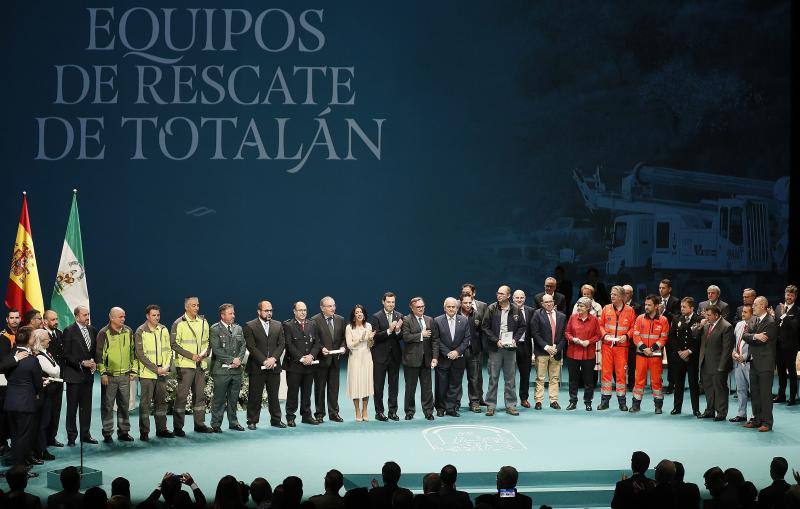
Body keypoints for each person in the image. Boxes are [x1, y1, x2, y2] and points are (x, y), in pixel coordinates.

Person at [170, 296, 212, 435]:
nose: (196, 308)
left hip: (200, 365)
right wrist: (191, 355)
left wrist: (206, 353)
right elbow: (174, 344)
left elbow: (208, 341)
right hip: (185, 366)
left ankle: (199, 424)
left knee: (199, 396)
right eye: (193, 305)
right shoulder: (179, 323)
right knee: (182, 397)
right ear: (186, 307)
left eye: (198, 305)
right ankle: (178, 427)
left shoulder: (204, 322)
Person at [3, 326, 43, 473]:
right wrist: (38, 388)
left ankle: (17, 466)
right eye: (33, 336)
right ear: (29, 340)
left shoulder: (10, 355)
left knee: (15, 436)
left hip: (10, 402)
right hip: (25, 403)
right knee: (24, 437)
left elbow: (7, 374)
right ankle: (20, 469)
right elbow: (38, 383)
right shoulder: (32, 360)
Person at [482, 286, 526, 416]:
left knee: (510, 378)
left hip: (510, 349)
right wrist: (496, 340)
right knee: (493, 378)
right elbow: (485, 327)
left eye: (502, 294)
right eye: (498, 293)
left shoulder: (516, 309)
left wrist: (515, 340)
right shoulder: (491, 308)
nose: (499, 295)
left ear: (508, 295)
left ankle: (511, 405)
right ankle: (490, 405)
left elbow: (522, 326)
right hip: (496, 348)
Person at [243, 300, 286, 429]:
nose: (269, 313)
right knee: (255, 396)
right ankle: (252, 421)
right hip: (256, 367)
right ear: (259, 312)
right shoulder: (250, 326)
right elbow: (251, 346)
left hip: (274, 366)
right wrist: (264, 361)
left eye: (270, 310)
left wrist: (273, 359)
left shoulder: (278, 325)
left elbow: (282, 344)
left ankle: (276, 420)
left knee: (274, 395)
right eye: (266, 310)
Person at [96, 307, 135, 443]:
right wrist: (103, 373)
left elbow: (132, 352)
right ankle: (107, 433)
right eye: (120, 317)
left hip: (125, 376)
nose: (123, 319)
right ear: (111, 318)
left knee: (124, 405)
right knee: (107, 406)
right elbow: (99, 356)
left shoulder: (129, 331)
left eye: (124, 316)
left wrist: (133, 370)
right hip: (109, 377)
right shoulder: (103, 333)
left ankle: (124, 432)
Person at [134, 305, 174, 440]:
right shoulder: (140, 331)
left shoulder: (164, 329)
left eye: (158, 315)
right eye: (154, 315)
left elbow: (168, 350)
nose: (157, 317)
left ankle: (161, 429)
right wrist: (156, 369)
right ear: (147, 316)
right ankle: (144, 432)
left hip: (162, 373)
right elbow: (141, 355)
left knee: (161, 403)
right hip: (147, 374)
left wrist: (167, 366)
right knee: (145, 404)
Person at [62, 305, 98, 445]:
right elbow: (66, 354)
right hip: (74, 376)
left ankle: (85, 434)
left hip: (88, 377)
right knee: (72, 408)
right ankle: (71, 437)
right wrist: (82, 362)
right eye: (84, 315)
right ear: (77, 316)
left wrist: (93, 362)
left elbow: (93, 352)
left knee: (86, 407)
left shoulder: (92, 330)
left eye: (88, 314)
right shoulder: (69, 331)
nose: (87, 317)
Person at [742, 296, 779, 432]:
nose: (753, 307)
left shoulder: (770, 322)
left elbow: (761, 341)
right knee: (755, 393)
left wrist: (753, 337)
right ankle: (757, 420)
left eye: (755, 305)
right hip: (754, 363)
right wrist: (755, 336)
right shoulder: (754, 320)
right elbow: (745, 336)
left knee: (765, 395)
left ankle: (767, 423)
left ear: (763, 306)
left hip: (765, 364)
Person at [209, 303, 246, 432]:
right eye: (230, 313)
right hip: (221, 371)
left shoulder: (238, 329)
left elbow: (243, 346)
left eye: (233, 313)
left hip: (236, 371)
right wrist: (232, 360)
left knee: (233, 398)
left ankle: (233, 422)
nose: (233, 315)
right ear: (222, 315)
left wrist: (239, 360)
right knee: (219, 399)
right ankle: (216, 424)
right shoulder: (214, 329)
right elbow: (217, 350)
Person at [283, 301, 320, 427]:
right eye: (300, 310)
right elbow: (289, 345)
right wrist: (301, 358)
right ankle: (290, 417)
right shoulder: (288, 325)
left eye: (305, 310)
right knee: (293, 392)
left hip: (309, 365)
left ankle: (306, 416)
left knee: (307, 392)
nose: (303, 312)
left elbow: (316, 343)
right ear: (294, 311)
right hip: (294, 365)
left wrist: (311, 356)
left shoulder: (312, 324)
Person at [631, 295, 670, 414]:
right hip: (641, 355)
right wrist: (644, 349)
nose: (646, 307)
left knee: (656, 381)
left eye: (649, 305)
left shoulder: (663, 320)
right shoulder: (639, 318)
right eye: (645, 305)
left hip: (656, 356)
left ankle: (658, 406)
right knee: (639, 381)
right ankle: (636, 405)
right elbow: (635, 336)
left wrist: (651, 349)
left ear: (656, 306)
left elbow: (664, 338)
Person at [599, 286, 636, 411]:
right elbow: (600, 325)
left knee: (621, 375)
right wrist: (604, 335)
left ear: (621, 296)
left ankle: (622, 402)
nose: (612, 296)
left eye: (614, 294)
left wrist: (626, 336)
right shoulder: (606, 308)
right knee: (606, 374)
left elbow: (633, 328)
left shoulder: (630, 310)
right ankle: (605, 401)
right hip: (607, 347)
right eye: (611, 294)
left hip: (622, 348)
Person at [368, 292, 404, 422]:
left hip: (394, 356)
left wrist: (398, 331)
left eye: (393, 302)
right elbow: (375, 337)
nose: (391, 304)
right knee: (378, 386)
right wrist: (389, 331)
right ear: (383, 302)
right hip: (379, 356)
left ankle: (392, 411)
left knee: (394, 385)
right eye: (388, 302)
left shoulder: (400, 316)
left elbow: (401, 337)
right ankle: (379, 412)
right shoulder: (376, 317)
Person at [401, 297, 438, 420]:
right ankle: (409, 412)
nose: (421, 309)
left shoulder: (429, 320)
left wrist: (435, 357)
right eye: (418, 307)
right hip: (411, 361)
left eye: (422, 306)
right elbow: (406, 337)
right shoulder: (406, 320)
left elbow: (435, 340)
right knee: (410, 388)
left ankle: (428, 412)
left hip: (426, 360)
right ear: (412, 308)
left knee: (427, 389)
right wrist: (421, 335)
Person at [433, 297, 471, 417]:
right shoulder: (437, 321)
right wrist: (448, 352)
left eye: (453, 307)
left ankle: (451, 408)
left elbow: (467, 339)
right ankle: (440, 407)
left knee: (455, 385)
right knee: (441, 385)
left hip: (458, 359)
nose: (451, 309)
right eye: (448, 307)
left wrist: (457, 352)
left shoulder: (464, 320)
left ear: (457, 308)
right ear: (444, 308)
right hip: (443, 359)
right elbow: (436, 339)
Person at [311, 297, 346, 424]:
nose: (333, 308)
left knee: (334, 388)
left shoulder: (340, 319)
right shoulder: (314, 320)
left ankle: (334, 413)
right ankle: (319, 414)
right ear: (322, 308)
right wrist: (321, 348)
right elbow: (314, 339)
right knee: (319, 389)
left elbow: (343, 337)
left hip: (335, 360)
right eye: (329, 306)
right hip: (321, 361)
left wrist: (343, 346)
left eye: (334, 305)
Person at [695, 305, 734, 421]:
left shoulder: (726, 326)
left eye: (708, 315)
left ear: (716, 315)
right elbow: (695, 336)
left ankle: (721, 413)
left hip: (719, 365)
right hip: (705, 363)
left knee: (720, 389)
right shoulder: (706, 325)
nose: (706, 317)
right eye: (706, 315)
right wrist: (700, 326)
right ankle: (709, 410)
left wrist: (722, 366)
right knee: (708, 388)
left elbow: (727, 349)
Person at [564, 297, 602, 411]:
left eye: (581, 306)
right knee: (573, 380)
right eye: (578, 305)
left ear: (588, 308)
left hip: (588, 354)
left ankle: (588, 402)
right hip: (573, 353)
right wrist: (573, 339)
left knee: (588, 380)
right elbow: (567, 332)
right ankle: (573, 401)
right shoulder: (573, 317)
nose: (579, 308)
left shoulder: (594, 320)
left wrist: (589, 342)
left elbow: (598, 335)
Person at [530, 294, 567, 410]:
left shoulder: (562, 316)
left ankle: (554, 400)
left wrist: (558, 348)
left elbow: (564, 336)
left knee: (554, 378)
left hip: (556, 352)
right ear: (542, 304)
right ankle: (538, 401)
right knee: (540, 378)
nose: (549, 304)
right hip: (542, 352)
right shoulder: (537, 314)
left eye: (550, 301)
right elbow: (535, 333)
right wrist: (546, 347)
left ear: (554, 302)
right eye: (546, 302)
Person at [668, 297, 702, 416]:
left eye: (684, 307)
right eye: (681, 307)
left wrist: (690, 351)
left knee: (693, 384)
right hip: (679, 356)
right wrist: (679, 351)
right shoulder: (676, 318)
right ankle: (677, 408)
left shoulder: (698, 319)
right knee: (678, 383)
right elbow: (672, 337)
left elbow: (699, 339)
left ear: (692, 308)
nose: (682, 309)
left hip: (692, 357)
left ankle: (696, 409)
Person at [32, 329, 60, 461]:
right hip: (44, 394)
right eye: (47, 338)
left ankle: (42, 448)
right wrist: (56, 370)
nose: (50, 340)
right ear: (40, 341)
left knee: (46, 421)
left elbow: (56, 369)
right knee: (42, 423)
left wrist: (56, 369)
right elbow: (54, 370)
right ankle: (40, 451)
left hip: (49, 393)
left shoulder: (46, 352)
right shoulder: (39, 356)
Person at [345, 304, 374, 422]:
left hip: (366, 356)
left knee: (366, 383)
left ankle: (365, 410)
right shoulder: (349, 327)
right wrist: (360, 339)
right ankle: (357, 410)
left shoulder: (368, 326)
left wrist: (371, 339)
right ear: (354, 316)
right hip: (355, 357)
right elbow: (349, 345)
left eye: (361, 312)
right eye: (357, 312)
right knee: (355, 384)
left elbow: (370, 345)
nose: (359, 314)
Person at [41, 310, 65, 448]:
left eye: (56, 319)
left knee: (56, 410)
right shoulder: (40, 335)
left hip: (59, 379)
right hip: (46, 381)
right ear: (45, 321)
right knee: (46, 412)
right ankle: (43, 440)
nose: (55, 322)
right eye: (52, 320)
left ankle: (52, 437)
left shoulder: (59, 334)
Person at [460, 293, 485, 413]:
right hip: (459, 351)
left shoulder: (477, 314)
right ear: (460, 303)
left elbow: (482, 332)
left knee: (474, 378)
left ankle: (474, 402)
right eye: (465, 303)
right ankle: (455, 402)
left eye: (470, 302)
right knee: (456, 378)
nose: (468, 305)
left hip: (473, 351)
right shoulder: (455, 314)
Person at [0, 308, 21, 455]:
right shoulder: (3, 337)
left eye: (16, 317)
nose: (14, 320)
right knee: (3, 414)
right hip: (4, 381)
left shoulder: (22, 334)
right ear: (7, 320)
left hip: (18, 381)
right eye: (11, 318)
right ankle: (2, 443)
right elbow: (3, 363)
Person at [773, 285, 798, 405]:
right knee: (781, 372)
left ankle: (792, 397)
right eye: (787, 294)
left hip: (790, 347)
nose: (789, 297)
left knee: (791, 373)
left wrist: (784, 315)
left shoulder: (797, 311)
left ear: (795, 297)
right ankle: (781, 395)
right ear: (785, 294)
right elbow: (776, 325)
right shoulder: (778, 307)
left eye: (791, 295)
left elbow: (795, 327)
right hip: (778, 346)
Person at [730, 304, 753, 423]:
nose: (742, 314)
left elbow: (754, 346)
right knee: (740, 389)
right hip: (737, 362)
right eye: (742, 312)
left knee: (754, 390)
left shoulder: (755, 325)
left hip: (749, 363)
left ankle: (754, 416)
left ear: (752, 313)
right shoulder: (739, 325)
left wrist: (743, 357)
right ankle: (742, 414)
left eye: (745, 312)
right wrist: (733, 353)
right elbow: (735, 342)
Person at [511, 290, 534, 408]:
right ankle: (511, 400)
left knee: (525, 374)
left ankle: (524, 398)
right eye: (517, 298)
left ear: (525, 298)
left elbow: (534, 330)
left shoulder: (530, 311)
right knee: (510, 375)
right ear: (513, 298)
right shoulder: (508, 310)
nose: (519, 300)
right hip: (511, 347)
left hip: (526, 346)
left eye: (521, 298)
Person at [658, 279, 681, 395]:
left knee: (672, 361)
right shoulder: (655, 300)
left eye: (663, 288)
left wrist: (665, 311)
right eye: (660, 288)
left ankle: (671, 384)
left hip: (671, 335)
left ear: (669, 289)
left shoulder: (676, 301)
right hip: (657, 335)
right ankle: (657, 383)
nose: (661, 290)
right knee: (656, 359)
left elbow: (676, 318)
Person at [623, 285, 644, 392]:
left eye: (626, 293)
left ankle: (631, 384)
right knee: (618, 364)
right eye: (623, 292)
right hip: (619, 340)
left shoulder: (638, 306)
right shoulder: (617, 306)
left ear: (631, 294)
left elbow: (637, 323)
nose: (624, 295)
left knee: (632, 363)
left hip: (631, 340)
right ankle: (620, 383)